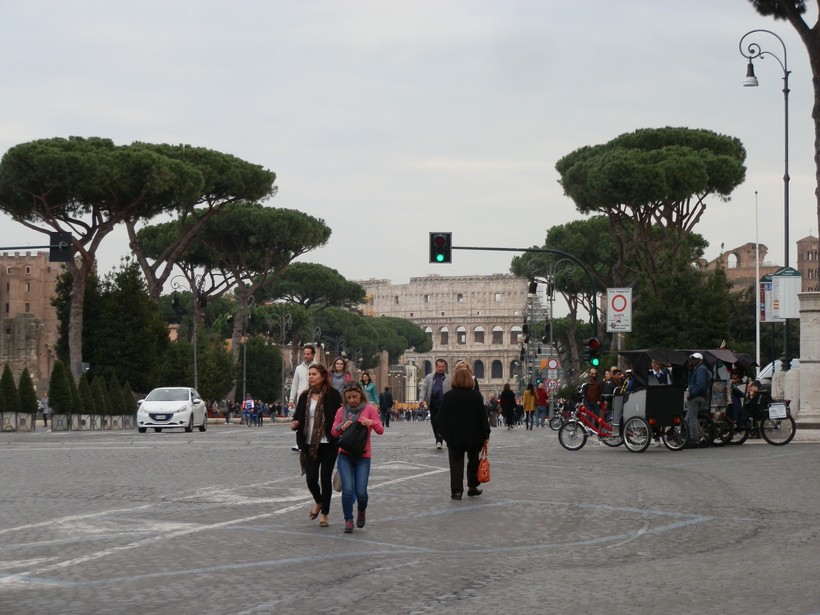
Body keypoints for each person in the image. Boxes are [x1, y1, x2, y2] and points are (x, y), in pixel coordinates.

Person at [290, 364, 343, 528]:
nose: (311, 377)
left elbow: (339, 417)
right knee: (311, 479)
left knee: (325, 479)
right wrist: (295, 424)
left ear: (323, 376)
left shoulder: (333, 395)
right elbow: (298, 416)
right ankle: (319, 501)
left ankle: (325, 514)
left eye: (314, 374)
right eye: (309, 374)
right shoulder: (304, 396)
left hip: (328, 443)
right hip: (309, 443)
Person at [331, 383, 383, 533]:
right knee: (347, 490)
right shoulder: (341, 411)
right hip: (345, 455)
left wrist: (372, 423)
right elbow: (333, 431)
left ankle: (361, 510)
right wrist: (342, 426)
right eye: (348, 398)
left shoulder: (369, 409)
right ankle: (348, 520)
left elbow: (380, 430)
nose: (352, 400)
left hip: (362, 456)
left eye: (354, 397)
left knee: (361, 492)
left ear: (361, 394)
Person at [438, 366, 491, 500]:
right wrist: (486, 433)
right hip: (473, 435)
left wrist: (444, 434)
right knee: (473, 461)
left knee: (456, 463)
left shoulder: (448, 396)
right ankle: (472, 487)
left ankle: (456, 491)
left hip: (454, 435)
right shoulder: (476, 396)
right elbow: (482, 416)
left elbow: (441, 417)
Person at [289, 345, 317, 451]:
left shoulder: (318, 367)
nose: (305, 356)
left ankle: (313, 441)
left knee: (313, 419)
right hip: (302, 398)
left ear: (313, 355)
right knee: (300, 420)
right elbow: (294, 384)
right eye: (304, 354)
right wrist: (291, 400)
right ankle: (299, 443)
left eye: (308, 354)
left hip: (314, 397)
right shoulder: (298, 368)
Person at [419, 358, 451, 449]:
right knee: (434, 422)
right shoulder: (429, 377)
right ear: (436, 367)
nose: (441, 368)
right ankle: (438, 438)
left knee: (443, 422)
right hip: (433, 402)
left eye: (443, 367)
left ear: (445, 367)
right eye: (439, 366)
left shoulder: (449, 378)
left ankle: (440, 439)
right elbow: (424, 388)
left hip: (444, 403)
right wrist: (421, 399)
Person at [686, 352, 712, 446]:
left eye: (694, 359)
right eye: (691, 359)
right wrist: (690, 371)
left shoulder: (701, 369)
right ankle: (689, 436)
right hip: (699, 396)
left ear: (700, 360)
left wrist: (692, 394)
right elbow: (690, 382)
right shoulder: (697, 369)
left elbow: (700, 385)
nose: (692, 361)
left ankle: (694, 439)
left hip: (696, 397)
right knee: (689, 418)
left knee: (691, 418)